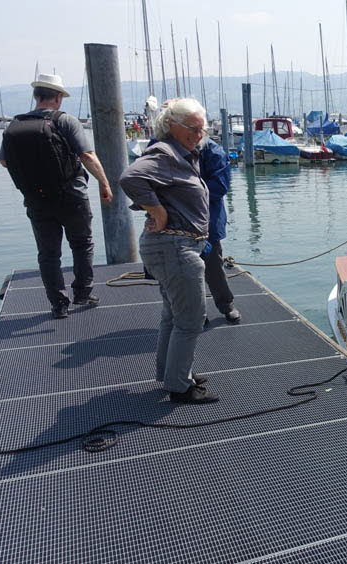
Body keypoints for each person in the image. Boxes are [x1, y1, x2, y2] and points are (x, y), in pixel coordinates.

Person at [120, 98, 218, 404]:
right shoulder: (165, 153)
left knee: (172, 315)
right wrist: (157, 212)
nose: (198, 134)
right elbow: (130, 178)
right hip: (175, 247)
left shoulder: (183, 154)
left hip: (176, 247)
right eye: (192, 128)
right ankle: (179, 387)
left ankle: (172, 374)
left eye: (201, 129)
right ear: (170, 125)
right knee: (190, 319)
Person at [0, 73, 113, 319]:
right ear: (58, 98)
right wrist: (104, 183)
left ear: (36, 96)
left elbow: (4, 161)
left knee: (48, 254)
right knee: (82, 244)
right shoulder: (65, 121)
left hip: (36, 199)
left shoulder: (15, 126)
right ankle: (82, 293)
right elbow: (87, 156)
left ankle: (58, 304)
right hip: (72, 196)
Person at [198, 137, 240, 323]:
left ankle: (226, 304)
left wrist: (183, 191)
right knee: (181, 271)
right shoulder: (163, 144)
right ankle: (195, 311)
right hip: (174, 220)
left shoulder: (212, 150)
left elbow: (220, 186)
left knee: (213, 263)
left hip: (207, 217)